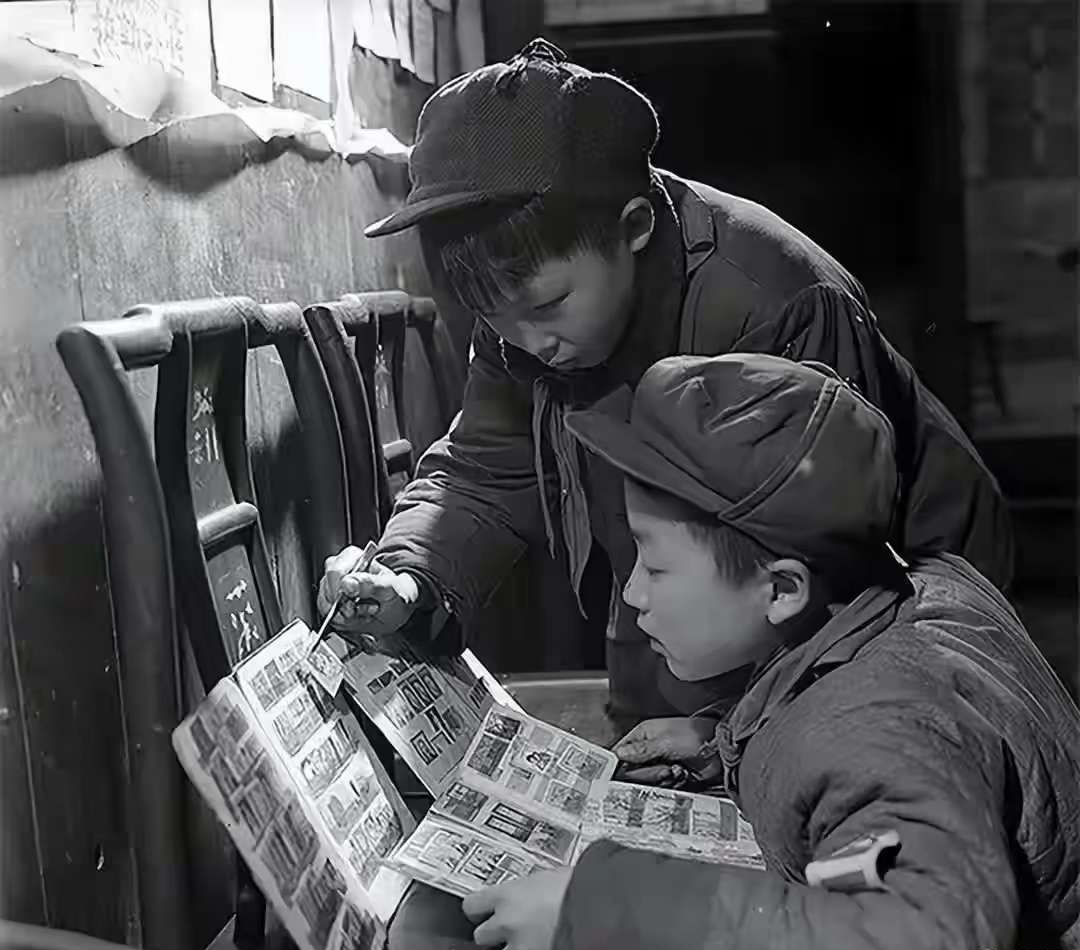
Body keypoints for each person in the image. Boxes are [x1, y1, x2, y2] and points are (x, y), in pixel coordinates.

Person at [318, 38, 1012, 729]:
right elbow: (483, 468)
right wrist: (409, 577)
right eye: (494, 317)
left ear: (635, 227)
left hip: (904, 595)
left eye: (547, 306)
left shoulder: (776, 306)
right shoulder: (522, 322)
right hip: (717, 599)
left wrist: (729, 734)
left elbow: (830, 576)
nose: (528, 341)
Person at [459, 353, 1080, 950]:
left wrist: (593, 920)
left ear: (782, 589)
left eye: (655, 565)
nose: (632, 594)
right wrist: (732, 738)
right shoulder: (918, 592)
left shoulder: (872, 724)